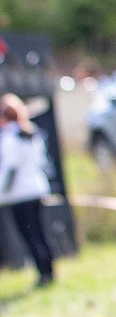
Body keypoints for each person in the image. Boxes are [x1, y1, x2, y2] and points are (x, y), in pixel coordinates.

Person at [0, 93, 56, 287]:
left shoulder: (10, 138)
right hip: (37, 189)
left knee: (29, 235)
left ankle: (43, 274)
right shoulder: (32, 132)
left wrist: (3, 191)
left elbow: (10, 169)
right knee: (40, 233)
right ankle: (48, 271)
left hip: (18, 194)